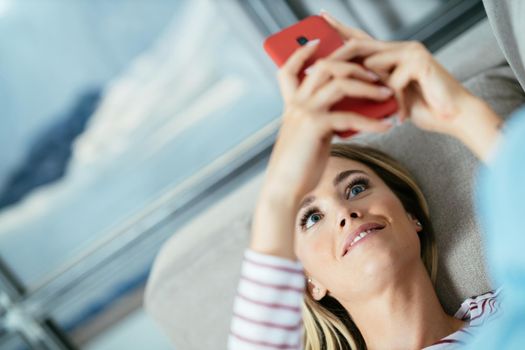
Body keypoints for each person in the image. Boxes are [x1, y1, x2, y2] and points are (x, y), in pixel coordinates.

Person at [228, 12, 507, 350]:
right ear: (308, 283)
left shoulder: (507, 312)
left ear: (411, 216)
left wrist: (464, 115)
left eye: (356, 188)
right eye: (312, 217)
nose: (345, 212)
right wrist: (279, 193)